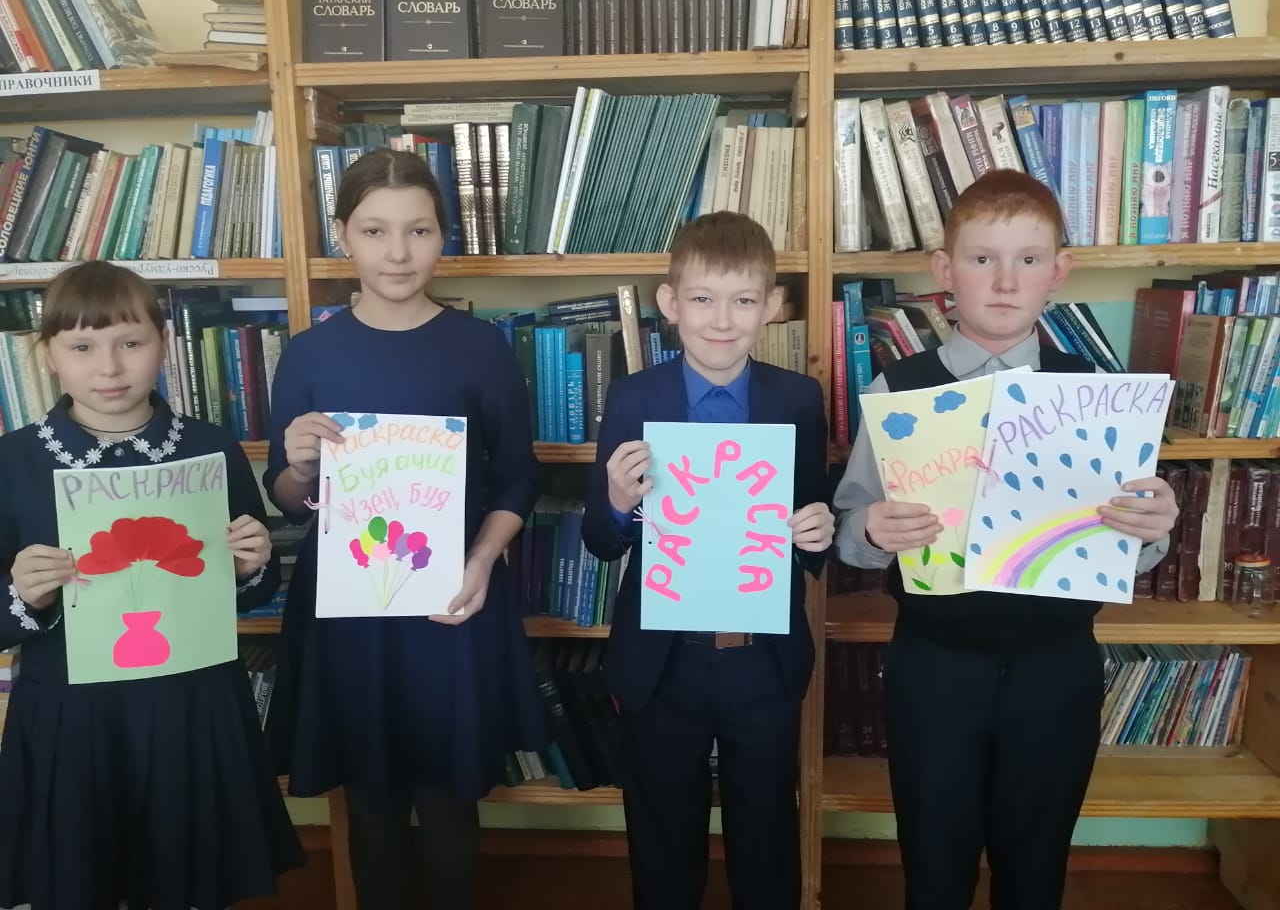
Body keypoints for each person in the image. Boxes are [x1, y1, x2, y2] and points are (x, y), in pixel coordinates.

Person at [833, 169, 1181, 909]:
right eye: (982, 258)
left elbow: (1132, 532)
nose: (1004, 280)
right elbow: (851, 524)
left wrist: (1153, 529)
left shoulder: (1097, 391)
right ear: (944, 272)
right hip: (935, 664)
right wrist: (868, 528)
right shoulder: (901, 389)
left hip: (1056, 666)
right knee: (934, 863)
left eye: (1027, 259)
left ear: (1058, 271)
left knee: (1036, 866)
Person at [265, 148, 546, 910]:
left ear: (442, 236)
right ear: (342, 236)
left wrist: (483, 560)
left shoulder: (480, 347)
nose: (397, 252)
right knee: (371, 799)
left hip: (451, 598)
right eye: (375, 230)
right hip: (349, 610)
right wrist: (297, 465)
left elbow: (518, 477)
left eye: (418, 230)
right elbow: (288, 498)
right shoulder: (309, 354)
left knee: (450, 793)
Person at [0, 260, 302, 910]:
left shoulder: (211, 449)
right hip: (73, 714)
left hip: (192, 704)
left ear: (163, 345)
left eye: (130, 342)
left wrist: (250, 565)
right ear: (48, 355)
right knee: (81, 880)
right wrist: (22, 594)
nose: (109, 367)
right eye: (82, 347)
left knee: (188, 875)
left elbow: (250, 590)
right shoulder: (13, 461)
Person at [581, 210, 834, 910]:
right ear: (670, 304)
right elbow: (601, 540)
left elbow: (813, 515)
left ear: (772, 306)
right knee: (663, 836)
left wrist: (819, 529)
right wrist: (616, 501)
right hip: (664, 661)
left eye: (743, 300)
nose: (722, 321)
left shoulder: (797, 398)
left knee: (767, 830)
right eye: (702, 299)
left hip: (760, 655)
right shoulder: (634, 397)